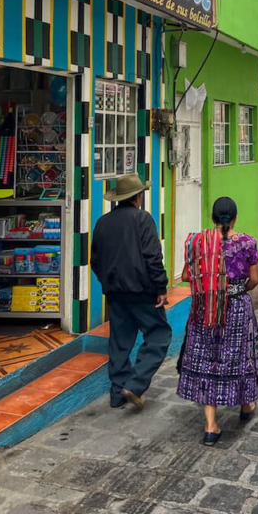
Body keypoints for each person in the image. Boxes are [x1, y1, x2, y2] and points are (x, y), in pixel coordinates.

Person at [177, 196, 258, 446]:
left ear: (212, 218)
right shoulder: (247, 243)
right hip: (236, 308)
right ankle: (246, 404)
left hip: (206, 308)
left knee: (207, 359)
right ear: (235, 218)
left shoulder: (198, 243)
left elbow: (184, 276)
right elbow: (255, 280)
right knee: (240, 356)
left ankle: (210, 425)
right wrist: (235, 290)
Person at [91, 173, 172, 409]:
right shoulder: (142, 219)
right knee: (159, 334)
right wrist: (161, 287)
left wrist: (108, 281)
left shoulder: (102, 222)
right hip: (142, 291)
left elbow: (95, 260)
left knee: (119, 342)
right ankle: (135, 385)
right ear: (138, 196)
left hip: (115, 292)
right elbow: (153, 258)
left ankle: (117, 394)